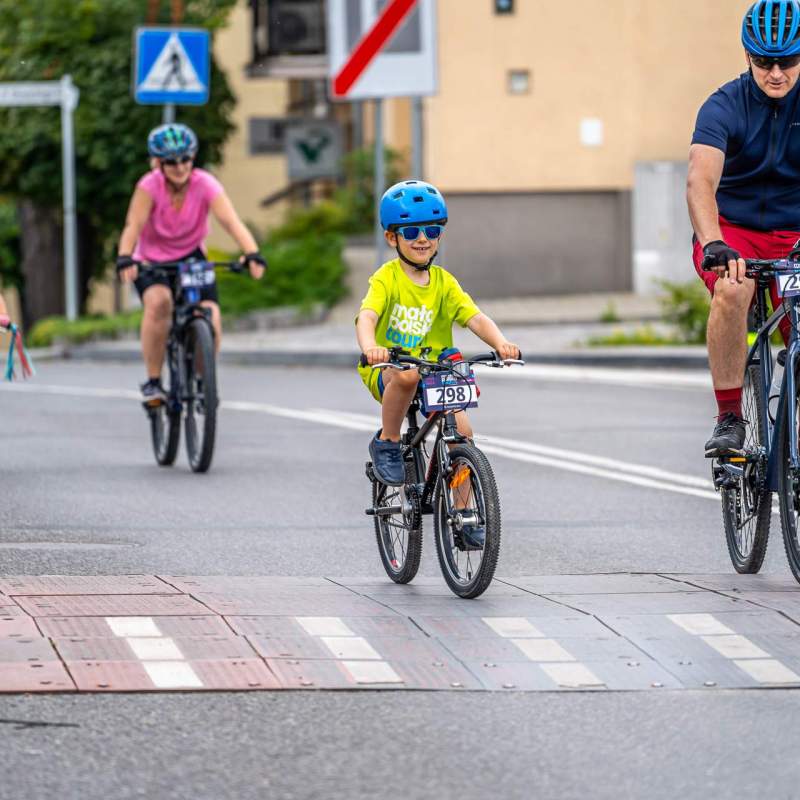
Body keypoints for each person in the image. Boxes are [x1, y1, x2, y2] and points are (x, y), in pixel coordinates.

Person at [355, 180, 520, 547]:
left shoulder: (444, 283)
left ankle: (463, 514)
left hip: (436, 372)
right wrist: (372, 348)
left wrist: (501, 344)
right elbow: (367, 316)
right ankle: (388, 440)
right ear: (391, 237)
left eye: (432, 230)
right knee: (407, 375)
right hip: (390, 369)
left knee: (463, 434)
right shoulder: (387, 278)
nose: (422, 238)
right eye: (411, 231)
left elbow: (474, 317)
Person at [688, 0, 800, 457]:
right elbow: (700, 179)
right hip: (733, 230)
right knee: (733, 290)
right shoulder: (723, 106)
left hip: (794, 231)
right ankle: (730, 415)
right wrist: (713, 241)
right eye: (763, 62)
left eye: (788, 61)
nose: (776, 73)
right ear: (746, 56)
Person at [116, 123, 266, 404]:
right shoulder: (149, 187)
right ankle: (153, 381)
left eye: (185, 158)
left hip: (191, 257)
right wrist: (125, 256)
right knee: (159, 304)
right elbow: (133, 225)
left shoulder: (205, 184)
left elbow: (232, 222)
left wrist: (252, 252)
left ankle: (202, 379)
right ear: (159, 163)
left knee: (210, 315)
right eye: (172, 161)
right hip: (151, 259)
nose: (180, 166)